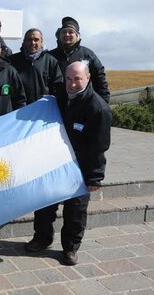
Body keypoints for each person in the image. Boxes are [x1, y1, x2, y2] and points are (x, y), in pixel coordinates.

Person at [25, 61, 111, 266]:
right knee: (45, 204)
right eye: (69, 79)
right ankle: (42, 238)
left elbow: (100, 146)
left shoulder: (98, 108)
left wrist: (95, 177)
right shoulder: (59, 98)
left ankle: (70, 248)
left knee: (75, 211)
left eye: (78, 79)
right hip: (55, 163)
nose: (72, 84)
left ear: (88, 78)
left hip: (81, 168)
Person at [49, 16, 110, 103]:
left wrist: (103, 104)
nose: (67, 34)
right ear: (59, 35)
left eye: (71, 32)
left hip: (83, 105)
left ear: (77, 35)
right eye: (64, 32)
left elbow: (100, 79)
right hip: (55, 106)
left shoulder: (88, 55)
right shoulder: (50, 57)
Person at [9, 28, 63, 104]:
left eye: (36, 40)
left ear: (41, 41)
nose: (33, 42)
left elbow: (58, 86)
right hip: (19, 109)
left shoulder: (51, 61)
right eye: (29, 40)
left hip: (43, 108)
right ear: (24, 41)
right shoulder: (13, 61)